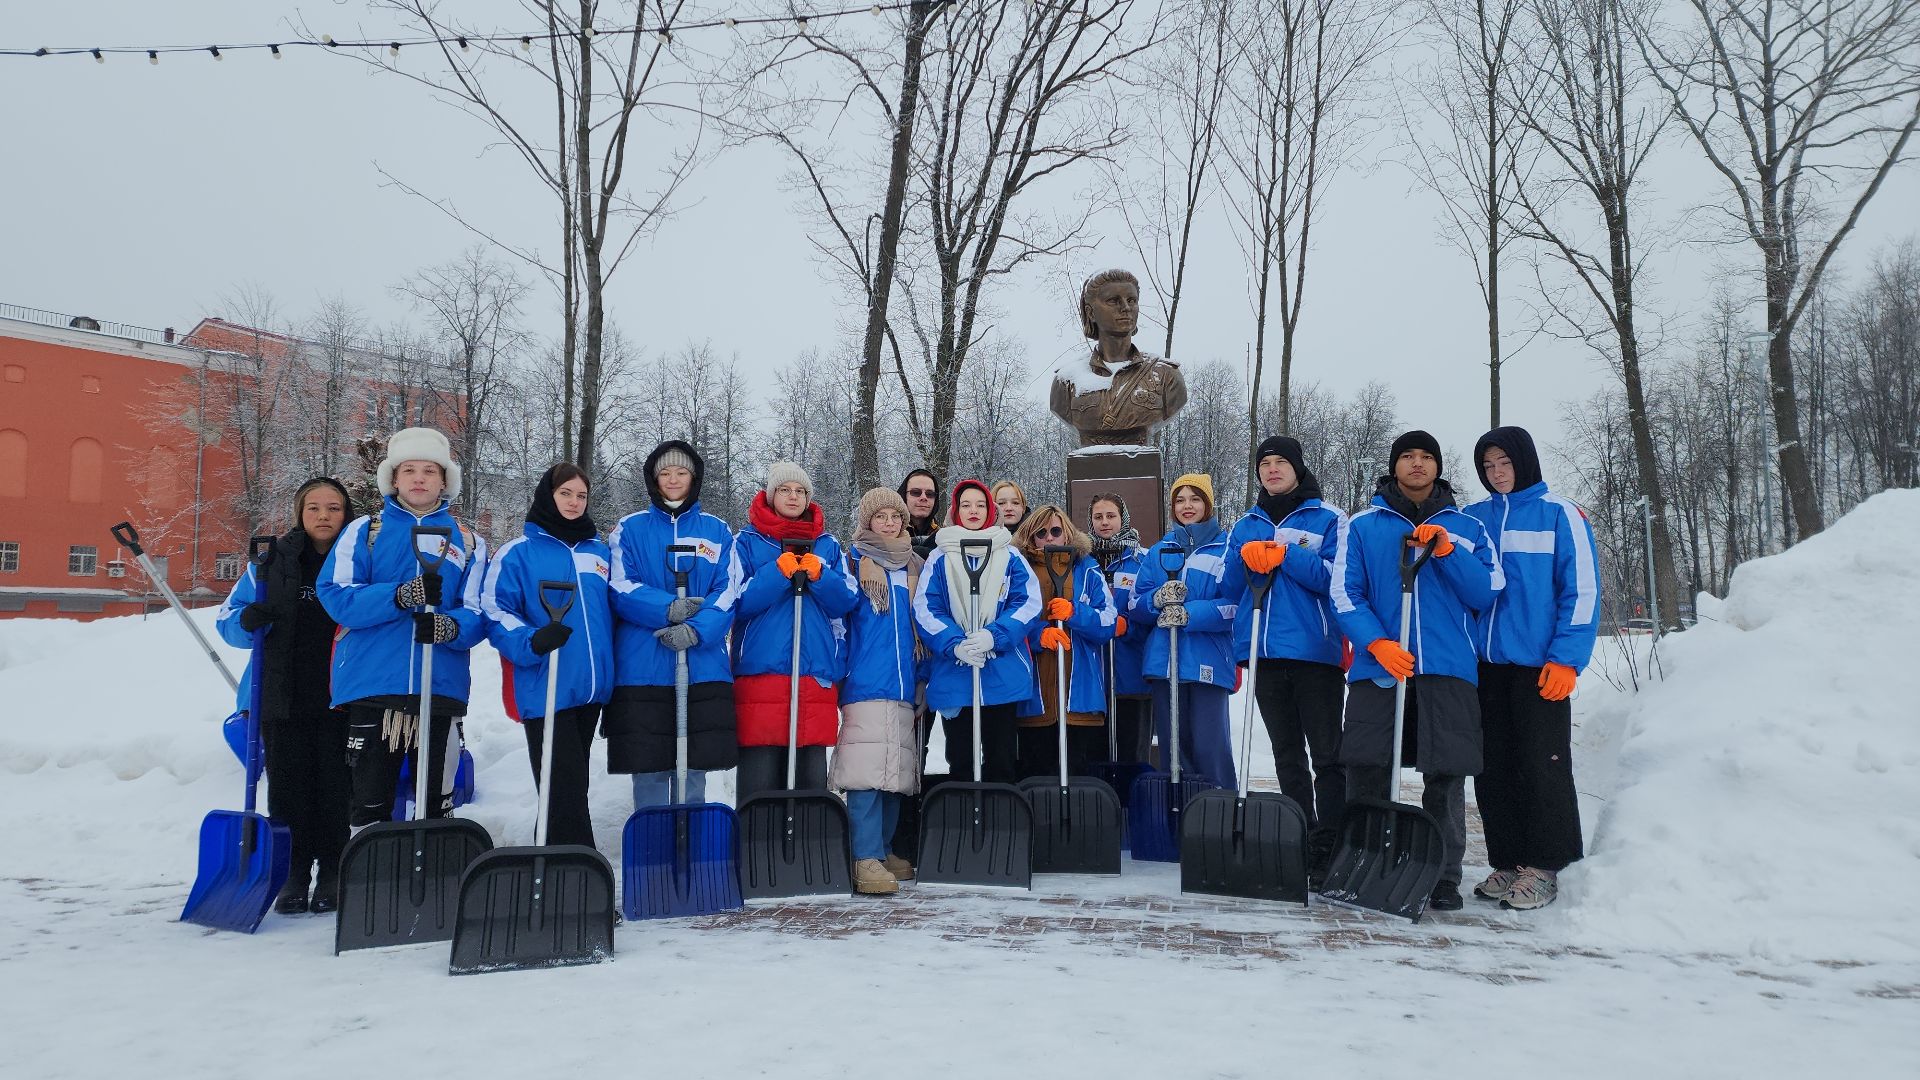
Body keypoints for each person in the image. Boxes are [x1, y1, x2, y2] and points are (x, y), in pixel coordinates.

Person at [1330, 430, 1501, 912]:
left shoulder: (1466, 528)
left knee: (1446, 775)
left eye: (1427, 457)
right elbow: (1346, 593)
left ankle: (1444, 874)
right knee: (1367, 765)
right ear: (1394, 465)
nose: (1418, 464)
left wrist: (1448, 553)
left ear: (1438, 467)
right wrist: (1376, 642)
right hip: (1380, 667)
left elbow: (1486, 592)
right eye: (1408, 456)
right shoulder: (1364, 524)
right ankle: (1364, 859)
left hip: (1447, 667)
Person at [319, 427, 490, 831]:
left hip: (440, 690)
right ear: (393, 479)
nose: (418, 478)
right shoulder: (366, 531)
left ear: (444, 481)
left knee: (436, 805)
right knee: (369, 804)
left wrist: (450, 627)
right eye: (408, 469)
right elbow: (337, 596)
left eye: (429, 471)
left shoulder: (467, 542)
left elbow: (480, 612)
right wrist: (399, 596)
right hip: (375, 687)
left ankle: (436, 875)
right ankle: (369, 880)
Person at [1461, 426, 1599, 911]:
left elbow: (1580, 592)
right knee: (1492, 767)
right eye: (1488, 466)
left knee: (1542, 766)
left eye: (1505, 462)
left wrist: (1567, 658)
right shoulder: (1472, 519)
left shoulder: (1560, 514)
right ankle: (1507, 861)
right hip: (1485, 667)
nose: (1497, 473)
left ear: (1525, 461)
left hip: (1540, 667)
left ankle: (1546, 865)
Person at [215, 476, 356, 914]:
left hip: (341, 693)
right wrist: (248, 621)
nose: (323, 516)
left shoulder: (356, 559)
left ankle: (333, 868)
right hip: (283, 692)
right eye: (314, 507)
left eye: (333, 508)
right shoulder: (270, 560)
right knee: (289, 787)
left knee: (336, 787)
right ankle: (295, 870)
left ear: (345, 514)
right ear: (299, 512)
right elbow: (228, 623)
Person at [1224, 436, 1349, 883]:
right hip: (1263, 652)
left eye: (1281, 462)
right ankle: (1304, 831)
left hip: (1315, 651)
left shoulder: (1329, 517)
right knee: (1286, 753)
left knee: (1328, 753)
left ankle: (1333, 837)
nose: (1272, 469)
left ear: (1298, 468)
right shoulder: (1246, 524)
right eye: (1265, 463)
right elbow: (1228, 586)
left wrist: (1286, 555)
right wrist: (1245, 559)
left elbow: (1338, 581)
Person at [480, 463, 614, 850]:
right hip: (546, 683)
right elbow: (494, 609)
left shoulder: (598, 553)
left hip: (590, 689)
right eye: (565, 493)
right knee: (563, 787)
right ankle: (579, 876)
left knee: (571, 786)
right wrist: (532, 640)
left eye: (581, 496)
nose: (574, 502)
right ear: (547, 496)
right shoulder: (518, 553)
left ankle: (560, 867)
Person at [604, 442, 739, 811]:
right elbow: (619, 585)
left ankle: (691, 842)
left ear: (693, 478)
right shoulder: (630, 529)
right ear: (654, 479)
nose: (674, 479)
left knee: (694, 764)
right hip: (644, 667)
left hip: (702, 666)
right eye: (665, 473)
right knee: (649, 765)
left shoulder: (716, 530)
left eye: (681, 472)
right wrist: (668, 609)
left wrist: (697, 630)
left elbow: (727, 592)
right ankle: (653, 850)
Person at [727, 462, 859, 803]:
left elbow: (846, 599)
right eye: (785, 490)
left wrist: (821, 575)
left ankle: (808, 845)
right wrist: (776, 572)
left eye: (800, 491)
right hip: (762, 669)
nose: (793, 496)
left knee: (810, 773)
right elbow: (735, 601)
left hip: (812, 671)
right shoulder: (747, 541)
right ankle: (755, 844)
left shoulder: (827, 545)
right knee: (761, 769)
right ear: (772, 495)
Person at [912, 479, 1041, 785]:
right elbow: (926, 608)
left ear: (990, 511)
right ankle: (963, 820)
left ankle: (1001, 821)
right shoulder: (940, 556)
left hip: (1001, 674)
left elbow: (1028, 602)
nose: (974, 511)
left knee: (1002, 760)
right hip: (956, 672)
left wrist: (994, 636)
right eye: (966, 505)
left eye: (981, 505)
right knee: (961, 761)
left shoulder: (1009, 554)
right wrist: (955, 644)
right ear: (956, 511)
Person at [832, 488, 926, 895]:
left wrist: (924, 676)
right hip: (865, 682)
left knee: (897, 775)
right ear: (866, 521)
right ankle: (863, 856)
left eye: (895, 516)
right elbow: (839, 624)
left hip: (906, 683)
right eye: (880, 516)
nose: (889, 522)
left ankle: (884, 851)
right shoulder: (852, 562)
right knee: (866, 773)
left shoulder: (916, 568)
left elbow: (923, 626)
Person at [1130, 474, 1238, 790]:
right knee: (1173, 754)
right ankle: (1180, 823)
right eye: (1180, 499)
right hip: (1165, 663)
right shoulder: (1160, 550)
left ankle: (1220, 817)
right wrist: (1157, 600)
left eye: (1194, 498)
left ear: (1208, 503)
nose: (1187, 506)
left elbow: (1235, 605)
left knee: (1209, 747)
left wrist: (1190, 614)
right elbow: (1136, 603)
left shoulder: (1226, 549)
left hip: (1208, 662)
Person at [1013, 504, 1119, 778]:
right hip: (1034, 698)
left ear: (1067, 534)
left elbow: (1107, 622)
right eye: (1041, 532)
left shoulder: (1088, 570)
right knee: (1036, 775)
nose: (1049, 538)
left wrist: (1075, 613)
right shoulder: (1020, 571)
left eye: (1056, 531)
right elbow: (1008, 620)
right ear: (1030, 536)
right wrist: (1038, 636)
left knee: (1080, 775)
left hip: (1080, 697)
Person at [1088, 492, 1152, 767]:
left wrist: (1129, 627)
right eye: (1098, 517)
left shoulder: (1143, 560)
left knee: (1131, 757)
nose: (1105, 523)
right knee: (1095, 757)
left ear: (1123, 519)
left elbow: (1152, 611)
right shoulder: (1082, 562)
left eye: (1111, 516)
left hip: (1131, 674)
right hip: (1093, 677)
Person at [898, 468, 944, 560]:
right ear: (903, 496)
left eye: (930, 494)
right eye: (916, 492)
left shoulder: (943, 539)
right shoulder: (888, 533)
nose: (923, 497)